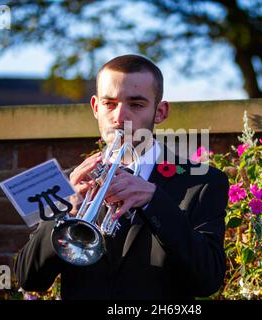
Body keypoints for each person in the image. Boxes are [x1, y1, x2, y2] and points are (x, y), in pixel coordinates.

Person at [14, 54, 229, 300]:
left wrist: (154, 201)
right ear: (95, 107)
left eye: (135, 105)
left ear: (160, 112)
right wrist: (65, 210)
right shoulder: (67, 182)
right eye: (109, 104)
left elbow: (208, 280)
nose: (119, 117)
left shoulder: (203, 182)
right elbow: (28, 278)